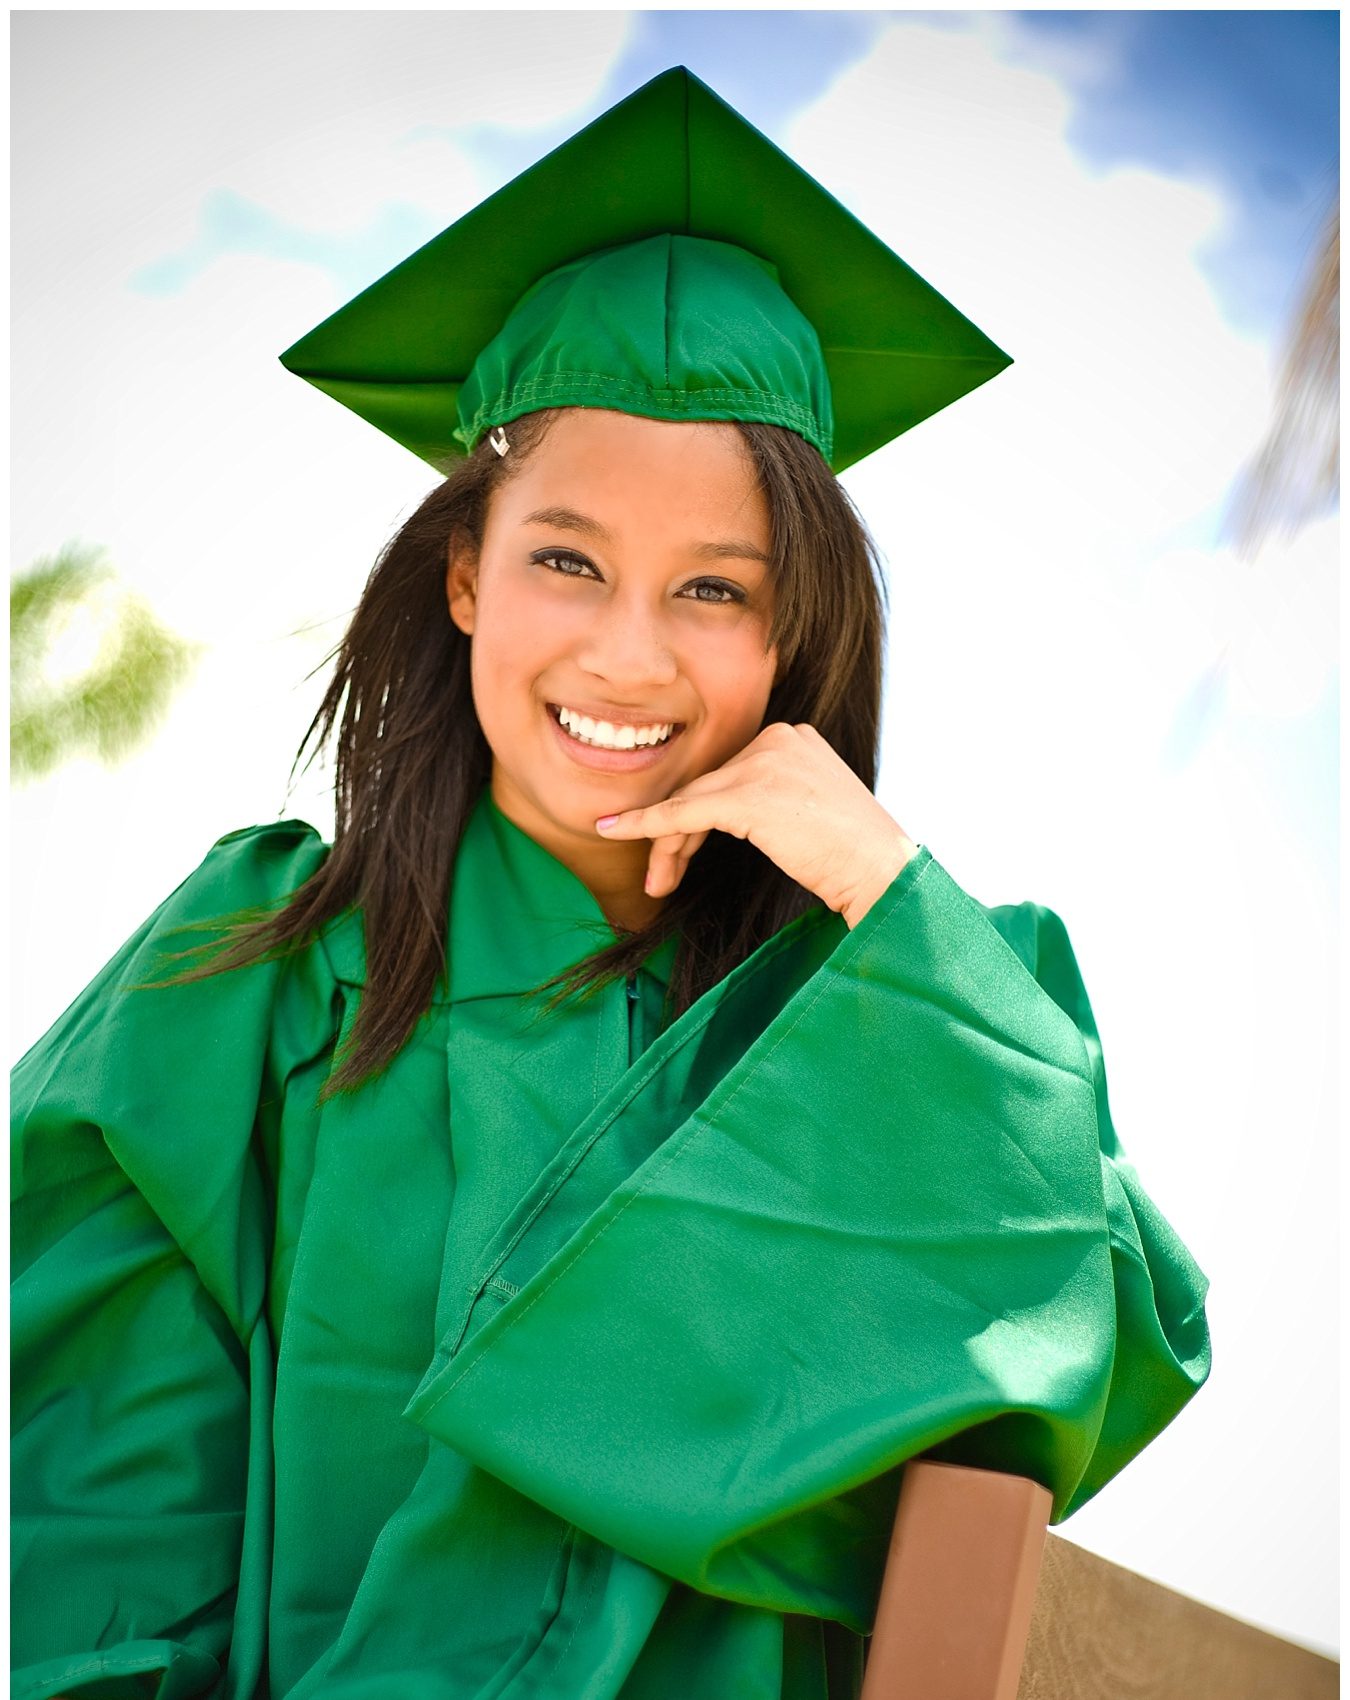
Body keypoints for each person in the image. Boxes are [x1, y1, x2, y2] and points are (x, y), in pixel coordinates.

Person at [11, 67, 1212, 1700]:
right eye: (565, 559)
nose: (627, 655)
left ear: (795, 636)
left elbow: (1097, 1343)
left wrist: (879, 881)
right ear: (463, 574)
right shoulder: (256, 976)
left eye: (716, 590)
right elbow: (94, 1545)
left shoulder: (871, 1014)